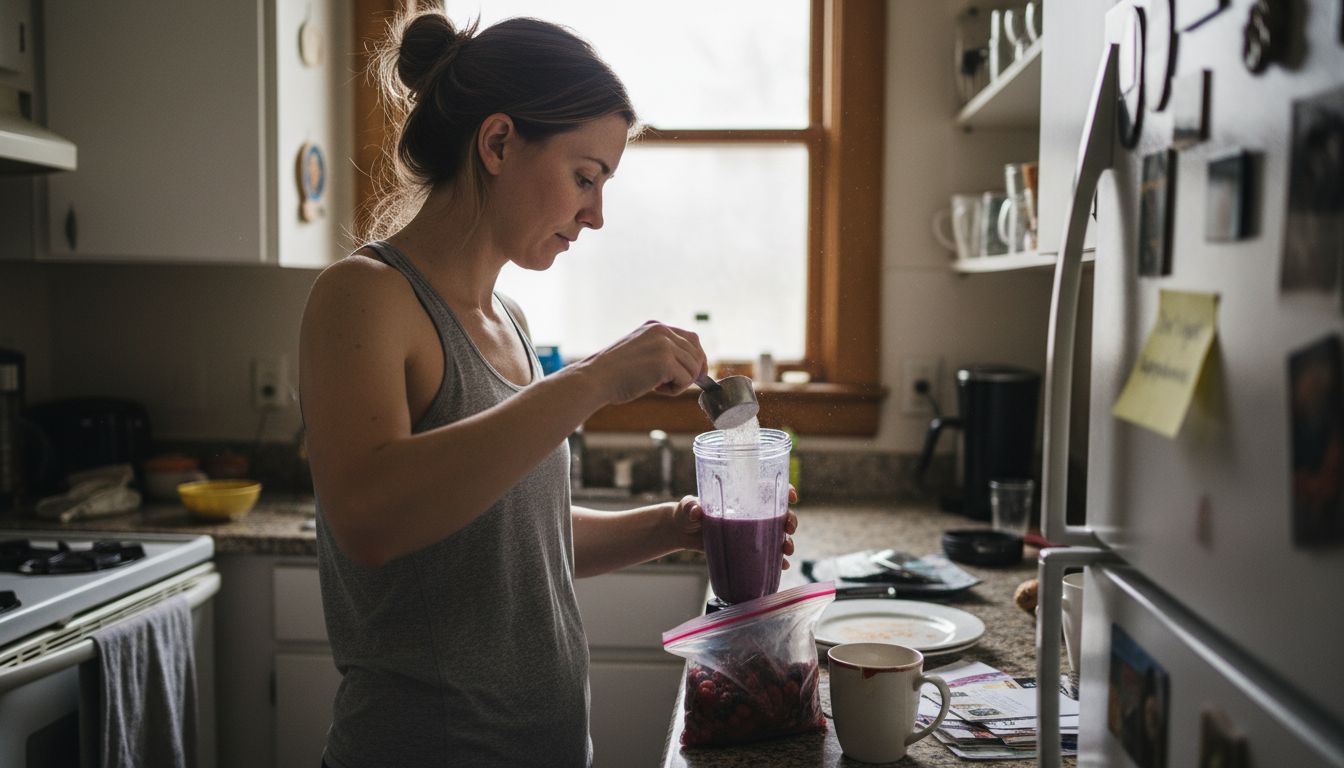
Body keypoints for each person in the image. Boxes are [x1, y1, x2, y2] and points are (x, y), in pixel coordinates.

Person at [298, 11, 799, 768]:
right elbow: (370, 517)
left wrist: (676, 525)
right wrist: (593, 380)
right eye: (585, 177)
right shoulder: (363, 296)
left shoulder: (508, 318)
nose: (595, 214)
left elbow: (512, 537)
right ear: (498, 142)